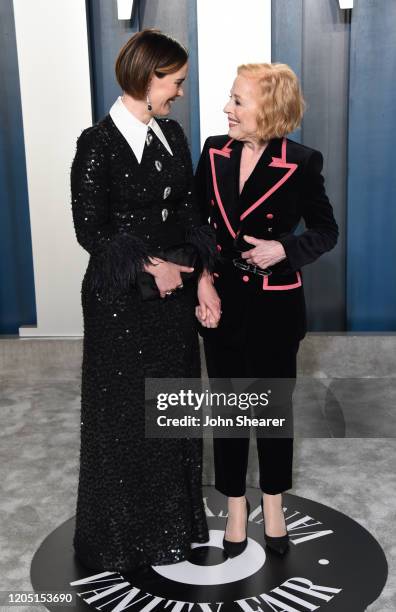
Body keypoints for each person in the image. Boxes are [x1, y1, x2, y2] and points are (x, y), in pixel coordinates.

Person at [70, 29, 217, 573]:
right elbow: (91, 231)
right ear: (147, 78)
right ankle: (119, 539)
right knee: (125, 417)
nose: (179, 92)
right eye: (175, 82)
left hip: (174, 302)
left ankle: (172, 530)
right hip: (121, 304)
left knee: (172, 411)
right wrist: (155, 268)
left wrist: (201, 276)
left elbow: (191, 215)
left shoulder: (174, 135)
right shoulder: (97, 144)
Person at [195, 63, 338, 556]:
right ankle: (236, 507)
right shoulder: (213, 152)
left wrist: (284, 250)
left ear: (270, 109)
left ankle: (273, 506)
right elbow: (196, 230)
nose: (226, 109)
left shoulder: (302, 161)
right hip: (221, 306)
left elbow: (326, 231)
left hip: (275, 308)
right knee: (230, 413)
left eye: (238, 101)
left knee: (273, 413)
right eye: (230, 99)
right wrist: (203, 283)